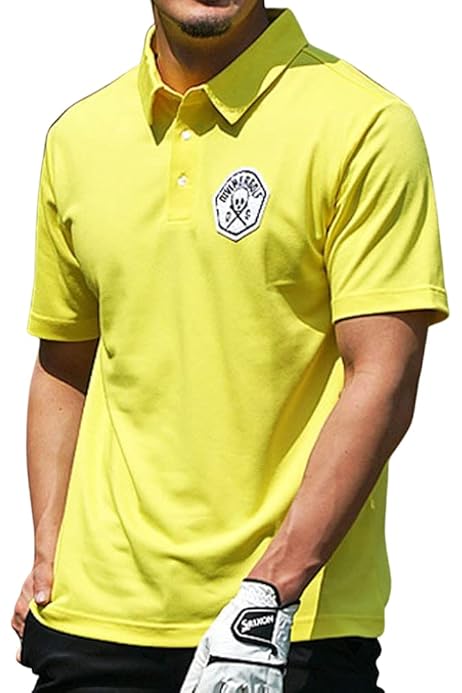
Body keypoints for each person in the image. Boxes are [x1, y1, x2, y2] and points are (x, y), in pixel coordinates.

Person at [12, 1, 449, 691]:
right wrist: (49, 547)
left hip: (289, 627)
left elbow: (384, 375)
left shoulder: (365, 124)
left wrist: (270, 593)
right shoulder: (78, 138)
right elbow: (65, 363)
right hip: (94, 626)